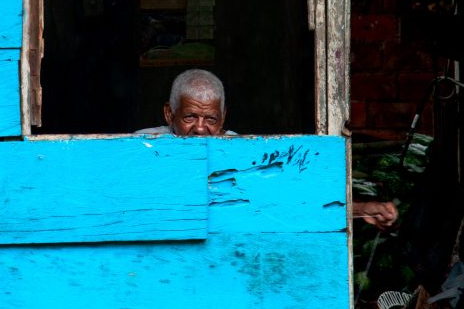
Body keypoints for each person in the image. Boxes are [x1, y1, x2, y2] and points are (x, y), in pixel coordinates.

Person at [137, 68, 398, 228]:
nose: (201, 128)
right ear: (169, 114)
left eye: (211, 119)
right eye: (190, 117)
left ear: (224, 118)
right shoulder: (140, 148)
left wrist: (362, 210)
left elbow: (292, 199)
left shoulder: (244, 154)